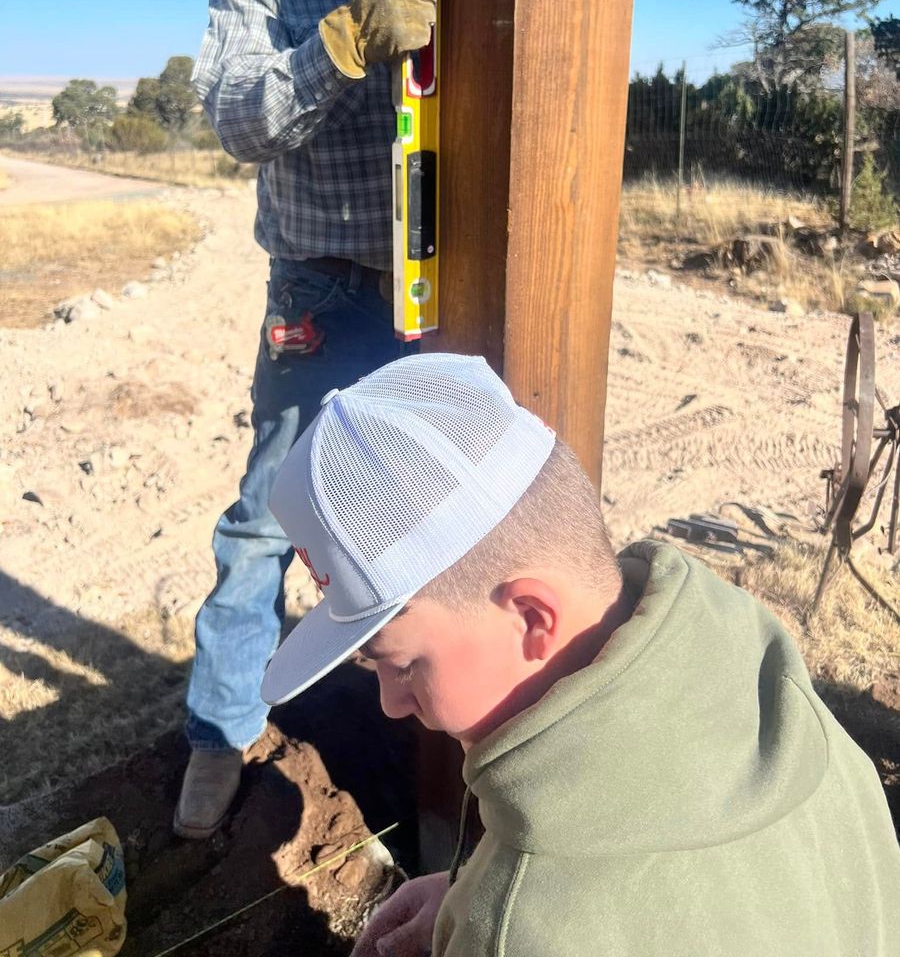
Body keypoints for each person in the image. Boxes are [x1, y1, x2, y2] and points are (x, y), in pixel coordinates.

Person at [260, 352, 900, 957]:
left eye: (400, 664)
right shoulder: (785, 714)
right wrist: (473, 897)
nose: (391, 704)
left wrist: (491, 923)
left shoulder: (529, 931)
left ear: (533, 618)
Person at [174, 0, 453, 839]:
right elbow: (239, 119)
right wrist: (341, 38)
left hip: (433, 287)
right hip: (320, 292)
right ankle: (218, 729)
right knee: (265, 523)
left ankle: (422, 718)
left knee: (421, 521)